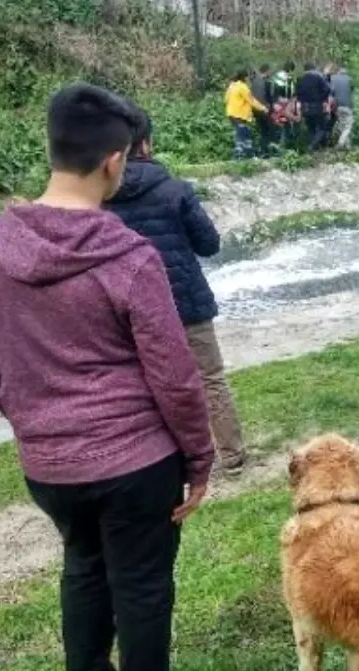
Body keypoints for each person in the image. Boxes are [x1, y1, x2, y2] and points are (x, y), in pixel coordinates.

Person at [0, 84, 214, 671]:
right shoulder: (129, 257)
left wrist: (32, 412)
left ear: (52, 147)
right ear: (115, 160)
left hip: (51, 468)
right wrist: (199, 461)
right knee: (142, 589)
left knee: (84, 569)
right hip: (137, 466)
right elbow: (175, 376)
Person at [105, 107, 248, 474]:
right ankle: (231, 456)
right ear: (147, 144)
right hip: (187, 302)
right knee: (210, 378)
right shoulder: (175, 189)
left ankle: (166, 462)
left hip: (132, 310)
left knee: (149, 386)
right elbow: (209, 244)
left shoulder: (99, 200)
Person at [226, 69, 267, 160]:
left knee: (245, 134)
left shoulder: (232, 85)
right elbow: (251, 100)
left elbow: (226, 99)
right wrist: (263, 108)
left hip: (231, 114)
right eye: (248, 77)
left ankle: (249, 155)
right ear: (245, 77)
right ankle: (237, 157)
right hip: (239, 114)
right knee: (241, 135)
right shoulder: (243, 87)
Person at [295, 62, 334, 152]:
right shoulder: (317, 78)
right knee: (322, 127)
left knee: (311, 128)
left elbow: (297, 93)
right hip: (316, 106)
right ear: (313, 69)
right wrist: (322, 99)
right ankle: (312, 146)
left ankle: (313, 148)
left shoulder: (300, 79)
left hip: (304, 106)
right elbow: (327, 89)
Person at [250, 64, 279, 156]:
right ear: (267, 71)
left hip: (255, 109)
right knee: (270, 131)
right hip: (265, 109)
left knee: (262, 131)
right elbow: (270, 97)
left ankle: (262, 151)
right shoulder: (266, 82)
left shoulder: (254, 81)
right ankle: (269, 152)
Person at [331, 63, 356, 149]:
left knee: (342, 125)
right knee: (349, 125)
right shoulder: (349, 79)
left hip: (337, 106)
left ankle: (348, 146)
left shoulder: (333, 78)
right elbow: (352, 90)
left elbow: (331, 91)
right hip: (347, 105)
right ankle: (341, 143)